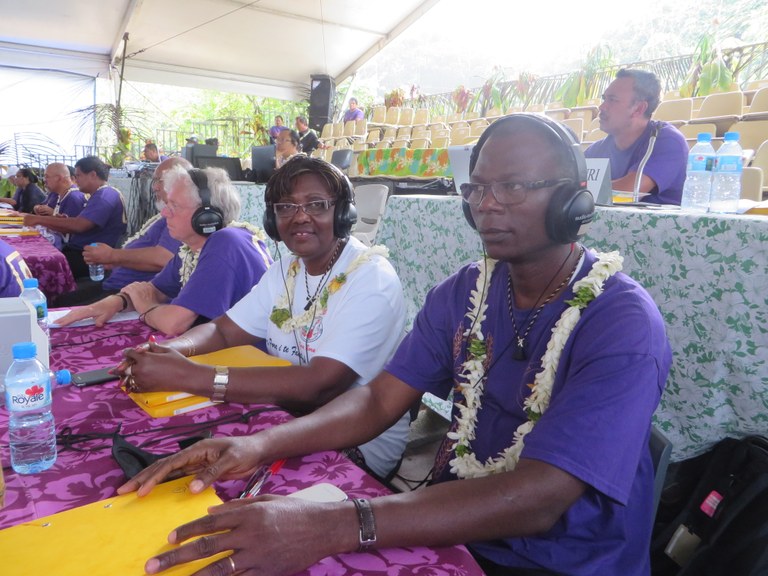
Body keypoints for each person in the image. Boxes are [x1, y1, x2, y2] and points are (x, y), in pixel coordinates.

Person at [118, 114, 673, 576]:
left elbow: (543, 494)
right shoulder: (463, 291)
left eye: (515, 187)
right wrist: (258, 446)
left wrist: (337, 523)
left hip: (559, 559)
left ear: (575, 203)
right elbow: (381, 399)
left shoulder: (621, 321)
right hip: (449, 520)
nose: (488, 205)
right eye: (478, 188)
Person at [118, 155, 408, 478]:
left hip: (355, 447)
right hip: (285, 415)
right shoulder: (288, 269)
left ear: (343, 214)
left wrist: (190, 376)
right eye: (285, 207)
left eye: (316, 205)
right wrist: (169, 352)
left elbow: (320, 386)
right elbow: (224, 331)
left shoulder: (370, 277)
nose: (299, 217)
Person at [56, 166, 272, 336]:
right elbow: (154, 290)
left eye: (174, 206)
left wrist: (147, 307)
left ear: (207, 216)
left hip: (252, 363)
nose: (165, 213)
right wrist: (113, 303)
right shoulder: (191, 249)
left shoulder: (227, 242)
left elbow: (174, 323)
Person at [82, 156, 191, 296]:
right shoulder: (166, 213)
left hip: (129, 294)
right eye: (154, 180)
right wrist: (118, 261)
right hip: (115, 284)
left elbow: (163, 258)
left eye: (160, 180)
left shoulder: (181, 215)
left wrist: (113, 255)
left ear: (182, 182)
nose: (154, 186)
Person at [585, 69, 688, 205]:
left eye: (612, 100)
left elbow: (627, 194)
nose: (602, 107)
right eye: (604, 99)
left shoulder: (667, 142)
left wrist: (573, 190)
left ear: (639, 108)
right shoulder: (597, 150)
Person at [22, 156, 127, 279]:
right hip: (81, 252)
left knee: (31, 266)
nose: (75, 180)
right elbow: (79, 223)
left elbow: (79, 225)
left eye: (78, 176)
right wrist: (61, 221)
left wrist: (37, 219)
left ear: (93, 175)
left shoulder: (104, 195)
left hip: (88, 258)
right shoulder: (102, 194)